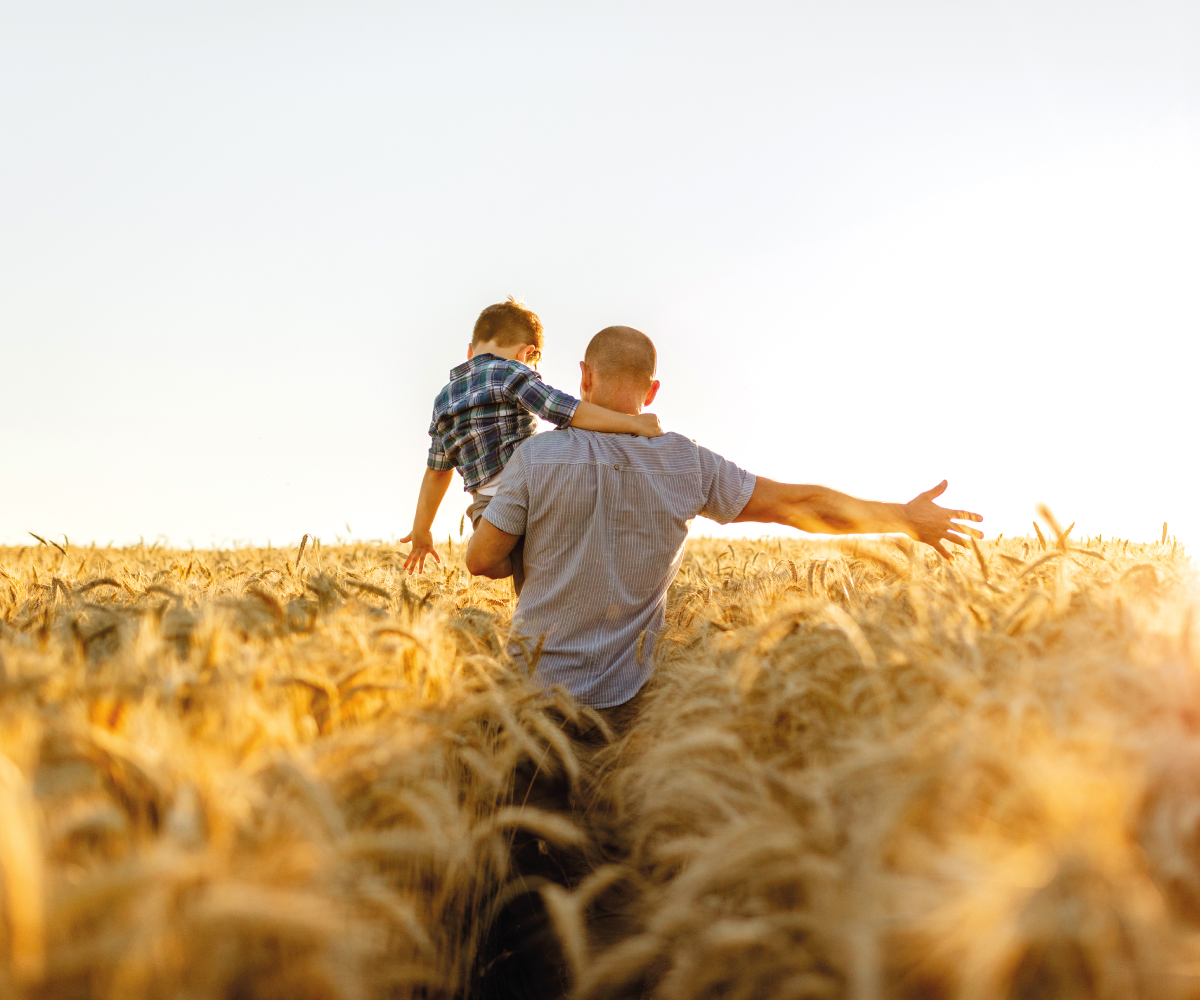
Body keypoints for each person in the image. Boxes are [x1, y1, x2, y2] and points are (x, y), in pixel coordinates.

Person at [464, 326, 982, 731]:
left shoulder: (535, 457)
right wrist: (904, 518)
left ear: (583, 376)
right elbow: (798, 504)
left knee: (526, 850)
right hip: (628, 709)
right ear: (653, 388)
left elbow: (482, 560)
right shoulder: (687, 464)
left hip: (531, 702)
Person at [401, 299, 663, 591]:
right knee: (543, 570)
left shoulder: (443, 399)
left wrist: (422, 528)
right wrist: (631, 423)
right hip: (533, 492)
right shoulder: (513, 373)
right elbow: (564, 410)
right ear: (526, 354)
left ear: (470, 351)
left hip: (485, 508)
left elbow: (437, 471)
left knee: (500, 568)